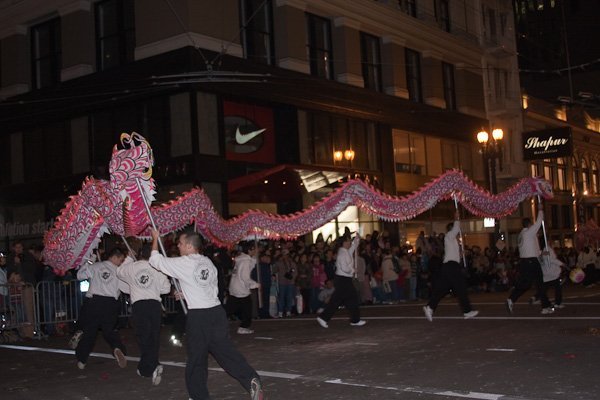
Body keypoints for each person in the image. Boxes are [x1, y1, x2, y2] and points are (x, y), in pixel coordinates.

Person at [149, 230, 264, 400]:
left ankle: (198, 396)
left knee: (196, 358)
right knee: (225, 352)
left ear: (189, 246)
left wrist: (155, 239)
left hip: (200, 315)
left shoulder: (185, 262)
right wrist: (186, 294)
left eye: (180, 243)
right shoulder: (208, 262)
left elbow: (155, 260)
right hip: (216, 312)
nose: (178, 246)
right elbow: (207, 288)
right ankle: (251, 378)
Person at [117, 243, 171, 385]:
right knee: (153, 336)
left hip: (139, 305)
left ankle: (150, 367)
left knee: (143, 337)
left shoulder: (132, 267)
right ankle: (151, 365)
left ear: (140, 254)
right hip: (154, 305)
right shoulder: (157, 268)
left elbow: (119, 272)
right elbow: (166, 289)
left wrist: (128, 259)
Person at [75, 247, 128, 370]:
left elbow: (79, 276)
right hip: (110, 303)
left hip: (94, 301)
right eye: (120, 260)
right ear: (114, 257)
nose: (121, 263)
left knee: (89, 332)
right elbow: (125, 288)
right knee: (109, 330)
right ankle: (117, 347)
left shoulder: (96, 266)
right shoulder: (119, 272)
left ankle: (82, 359)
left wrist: (89, 262)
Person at [423, 213, 478, 321]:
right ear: (451, 229)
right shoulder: (449, 236)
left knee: (442, 289)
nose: (457, 231)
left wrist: (462, 254)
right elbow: (456, 228)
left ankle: (430, 307)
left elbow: (453, 253)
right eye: (455, 229)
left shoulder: (452, 240)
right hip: (451, 266)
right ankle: (467, 311)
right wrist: (456, 219)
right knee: (460, 287)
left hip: (450, 266)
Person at [506, 210, 553, 314]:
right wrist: (540, 210)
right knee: (539, 283)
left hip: (525, 261)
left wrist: (541, 253)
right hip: (531, 261)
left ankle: (512, 298)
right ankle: (545, 306)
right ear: (529, 224)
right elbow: (539, 221)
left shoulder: (522, 235)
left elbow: (530, 248)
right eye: (531, 224)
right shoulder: (528, 232)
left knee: (526, 284)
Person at [317, 233, 367, 328]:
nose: (349, 243)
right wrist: (353, 270)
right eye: (348, 241)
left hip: (344, 279)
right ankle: (324, 317)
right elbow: (344, 268)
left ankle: (355, 320)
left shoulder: (345, 251)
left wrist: (356, 240)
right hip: (342, 279)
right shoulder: (342, 254)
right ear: (344, 243)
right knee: (339, 300)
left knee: (349, 299)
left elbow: (353, 247)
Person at [227, 241, 261, 334]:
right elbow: (244, 276)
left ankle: (215, 322)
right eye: (256, 248)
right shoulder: (245, 261)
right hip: (241, 288)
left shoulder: (242, 259)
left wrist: (254, 257)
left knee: (231, 308)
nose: (258, 250)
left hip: (236, 287)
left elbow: (251, 265)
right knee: (246, 308)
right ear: (251, 249)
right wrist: (255, 284)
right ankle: (243, 327)